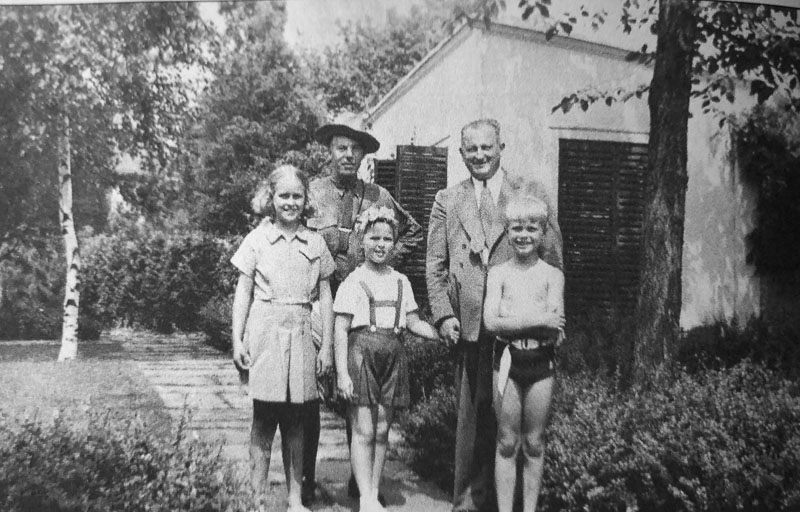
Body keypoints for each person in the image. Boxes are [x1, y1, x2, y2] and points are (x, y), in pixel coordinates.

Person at [426, 118, 563, 512]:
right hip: (469, 327)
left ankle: (513, 504)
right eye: (471, 149)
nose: (480, 155)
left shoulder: (529, 193)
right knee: (472, 420)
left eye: (487, 147)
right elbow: (435, 265)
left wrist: (554, 319)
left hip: (519, 328)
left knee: (515, 425)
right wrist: (443, 315)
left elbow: (553, 257)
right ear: (461, 153)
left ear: (501, 147)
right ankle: (469, 502)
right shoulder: (447, 200)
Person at [304, 113, 422, 504]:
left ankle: (362, 484)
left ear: (363, 155)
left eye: (356, 149)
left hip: (360, 307)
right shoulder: (311, 193)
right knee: (310, 390)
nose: (348, 155)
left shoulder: (377, 196)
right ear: (329, 150)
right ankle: (305, 478)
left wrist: (381, 264)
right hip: (318, 304)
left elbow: (412, 231)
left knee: (361, 399)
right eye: (341, 147)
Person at [231, 165, 334, 512]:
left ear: (306, 200)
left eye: (297, 196)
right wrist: (237, 340)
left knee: (296, 421)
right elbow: (243, 293)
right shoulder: (256, 240)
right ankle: (257, 500)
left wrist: (327, 346)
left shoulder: (315, 242)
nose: (290, 202)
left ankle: (294, 500)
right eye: (283, 195)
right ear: (271, 198)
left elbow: (326, 297)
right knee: (263, 420)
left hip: (302, 331)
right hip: (265, 332)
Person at [333, 206, 440, 512]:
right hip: (361, 355)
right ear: (362, 240)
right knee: (364, 430)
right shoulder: (353, 281)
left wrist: (441, 333)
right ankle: (365, 497)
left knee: (381, 430)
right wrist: (342, 373)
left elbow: (414, 322)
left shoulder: (401, 281)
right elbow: (340, 329)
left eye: (387, 239)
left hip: (393, 356)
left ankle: (374, 488)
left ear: (395, 243)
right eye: (374, 238)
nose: (380, 244)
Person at [483, 194, 565, 512]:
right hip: (507, 360)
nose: (523, 235)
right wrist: (538, 319)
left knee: (534, 443)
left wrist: (515, 321)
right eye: (516, 228)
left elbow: (554, 327)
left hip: (541, 363)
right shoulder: (498, 273)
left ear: (542, 232)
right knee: (507, 442)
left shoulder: (553, 276)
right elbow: (491, 322)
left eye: (531, 228)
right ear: (507, 231)